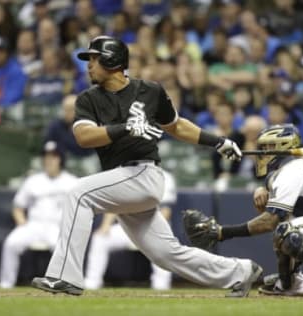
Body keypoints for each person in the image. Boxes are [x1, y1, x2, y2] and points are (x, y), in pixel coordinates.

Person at [31, 35, 262, 297]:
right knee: (166, 254)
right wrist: (125, 128)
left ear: (112, 60)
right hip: (121, 180)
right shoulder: (88, 99)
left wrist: (218, 141)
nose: (89, 65)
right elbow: (84, 137)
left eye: (94, 59)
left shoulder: (149, 91)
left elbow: (176, 126)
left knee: (78, 194)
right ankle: (239, 271)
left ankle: (64, 276)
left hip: (143, 173)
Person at [183, 124, 303, 297]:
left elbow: (270, 221)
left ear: (283, 148)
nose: (262, 152)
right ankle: (290, 283)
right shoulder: (292, 169)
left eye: (268, 147)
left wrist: (222, 233)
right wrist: (265, 189)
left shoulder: (292, 169)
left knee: (286, 231)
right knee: (286, 228)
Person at [0, 141, 78, 289]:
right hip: (34, 224)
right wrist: (22, 223)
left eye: (53, 156)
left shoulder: (72, 181)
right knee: (11, 243)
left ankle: (65, 284)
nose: (48, 160)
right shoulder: (33, 180)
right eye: (46, 156)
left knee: (62, 249)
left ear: (61, 159)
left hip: (57, 227)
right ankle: (5, 284)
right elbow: (18, 207)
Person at [84, 170, 177, 290]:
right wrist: (105, 225)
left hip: (153, 228)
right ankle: (92, 282)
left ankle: (161, 285)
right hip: (129, 227)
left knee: (163, 242)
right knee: (100, 238)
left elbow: (166, 210)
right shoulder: (125, 174)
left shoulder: (165, 177)